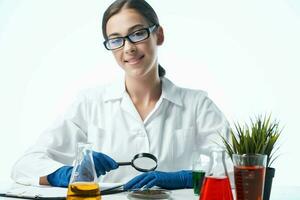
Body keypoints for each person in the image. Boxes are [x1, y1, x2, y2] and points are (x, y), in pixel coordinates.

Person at [11, 0, 229, 190]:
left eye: (137, 34)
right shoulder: (90, 104)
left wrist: (188, 178)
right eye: (116, 40)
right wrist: (67, 174)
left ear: (158, 35)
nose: (128, 48)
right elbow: (26, 165)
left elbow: (238, 166)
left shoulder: (197, 105)